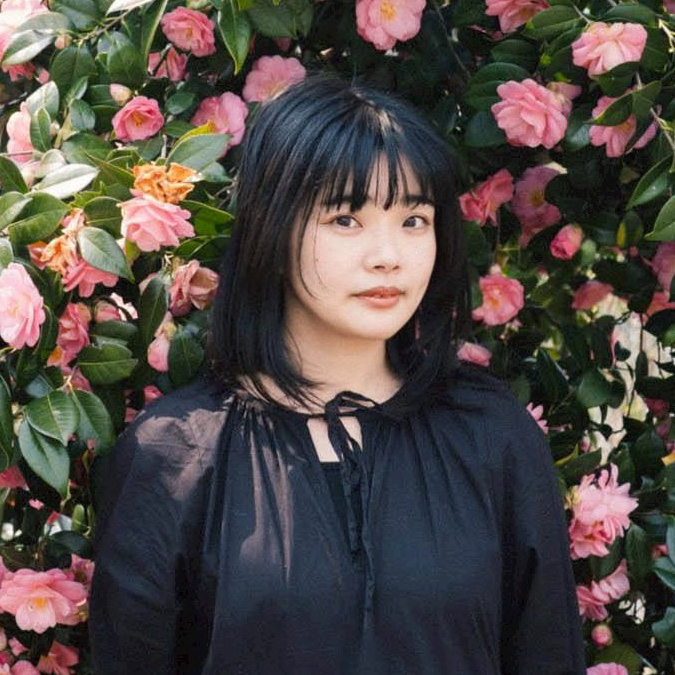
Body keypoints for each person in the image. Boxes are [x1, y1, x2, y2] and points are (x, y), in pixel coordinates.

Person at [89, 75, 586, 675]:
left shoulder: (492, 437)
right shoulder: (174, 456)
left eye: (414, 220)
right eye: (346, 219)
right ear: (272, 228)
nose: (388, 256)